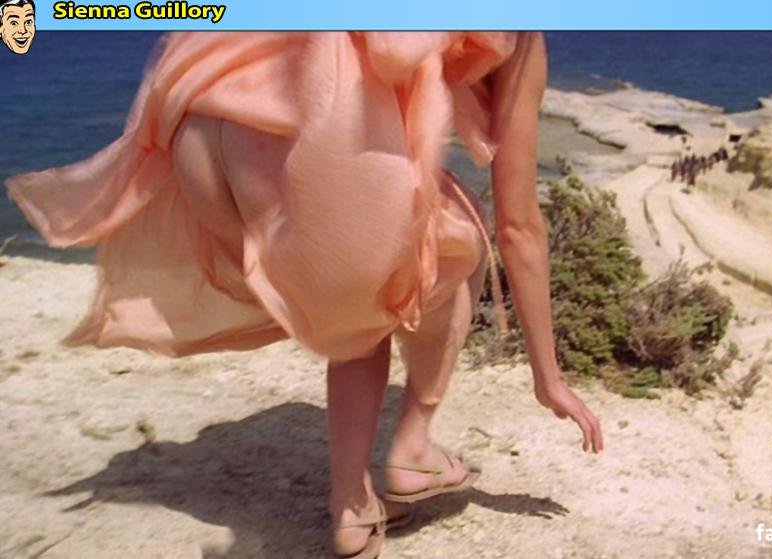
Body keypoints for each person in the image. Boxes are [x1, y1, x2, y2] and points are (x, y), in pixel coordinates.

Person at [5, 31, 605, 558]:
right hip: (290, 147)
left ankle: (351, 509)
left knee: (366, 286)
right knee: (453, 235)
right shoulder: (520, 32)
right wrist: (547, 377)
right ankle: (413, 445)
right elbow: (518, 228)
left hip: (201, 129)